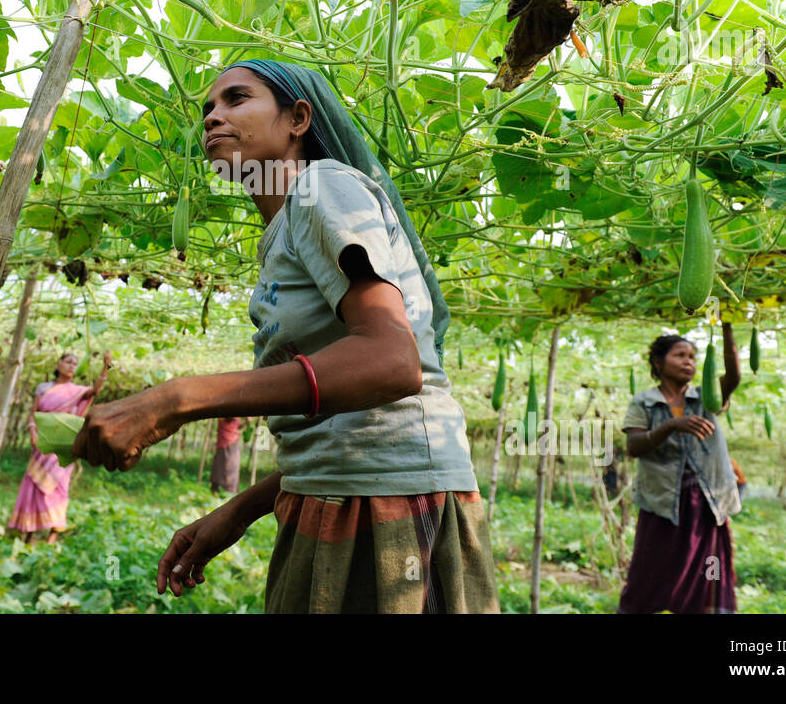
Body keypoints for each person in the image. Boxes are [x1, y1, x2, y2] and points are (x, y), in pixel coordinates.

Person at [72, 59, 499, 614]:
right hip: (331, 495)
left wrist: (174, 400)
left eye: (236, 99)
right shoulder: (284, 230)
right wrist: (244, 508)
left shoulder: (324, 189)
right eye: (207, 109)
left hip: (392, 502)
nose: (212, 118)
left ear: (298, 118)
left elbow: (394, 362)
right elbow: (346, 427)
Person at [618, 323, 742, 614]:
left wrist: (726, 327)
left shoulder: (706, 398)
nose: (689, 361)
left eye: (693, 356)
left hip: (707, 503)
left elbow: (734, 376)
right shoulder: (644, 402)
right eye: (680, 355)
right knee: (650, 572)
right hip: (662, 502)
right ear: (658, 362)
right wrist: (672, 426)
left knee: (708, 574)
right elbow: (634, 447)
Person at [8, 350, 111, 545]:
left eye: (75, 363)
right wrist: (32, 433)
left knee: (59, 487)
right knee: (35, 486)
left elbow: (95, 392)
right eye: (68, 362)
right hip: (43, 443)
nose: (72, 365)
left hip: (63, 447)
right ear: (58, 364)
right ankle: (29, 531)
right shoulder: (43, 388)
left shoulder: (77, 391)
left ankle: (53, 534)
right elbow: (33, 414)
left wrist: (105, 367)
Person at [209, 417, 242, 494]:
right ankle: (215, 489)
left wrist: (247, 422)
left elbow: (237, 426)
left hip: (233, 441)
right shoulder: (225, 411)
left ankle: (230, 492)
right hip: (224, 442)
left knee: (232, 467)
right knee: (219, 467)